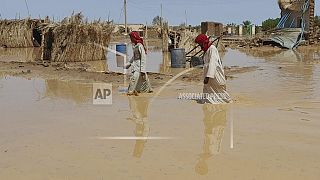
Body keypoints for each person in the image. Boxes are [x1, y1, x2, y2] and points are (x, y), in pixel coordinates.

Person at [195, 34, 231, 104]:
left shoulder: (212, 49)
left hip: (215, 75)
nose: (200, 46)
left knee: (220, 92)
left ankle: (227, 104)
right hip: (211, 75)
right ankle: (209, 104)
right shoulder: (207, 50)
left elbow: (212, 63)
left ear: (203, 43)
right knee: (209, 91)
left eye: (200, 44)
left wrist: (208, 77)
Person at [125, 31, 153, 96]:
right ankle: (149, 89)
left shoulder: (139, 46)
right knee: (143, 78)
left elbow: (143, 57)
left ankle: (130, 92)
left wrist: (142, 69)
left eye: (131, 37)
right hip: (136, 65)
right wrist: (128, 64)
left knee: (134, 78)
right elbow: (134, 57)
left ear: (134, 38)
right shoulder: (135, 46)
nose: (130, 39)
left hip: (139, 66)